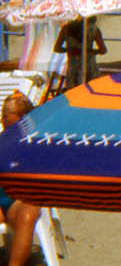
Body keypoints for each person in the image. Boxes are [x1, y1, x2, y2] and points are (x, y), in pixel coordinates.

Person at [0, 92, 40, 266]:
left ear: (22, 117)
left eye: (5, 115)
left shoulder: (37, 143)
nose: (1, 120)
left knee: (28, 212)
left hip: (18, 201)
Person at [54, 17, 107, 89]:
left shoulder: (66, 29)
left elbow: (57, 48)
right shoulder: (94, 30)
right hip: (89, 65)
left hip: (73, 66)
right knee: (90, 91)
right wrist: (88, 50)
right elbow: (103, 50)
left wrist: (70, 50)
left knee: (73, 93)